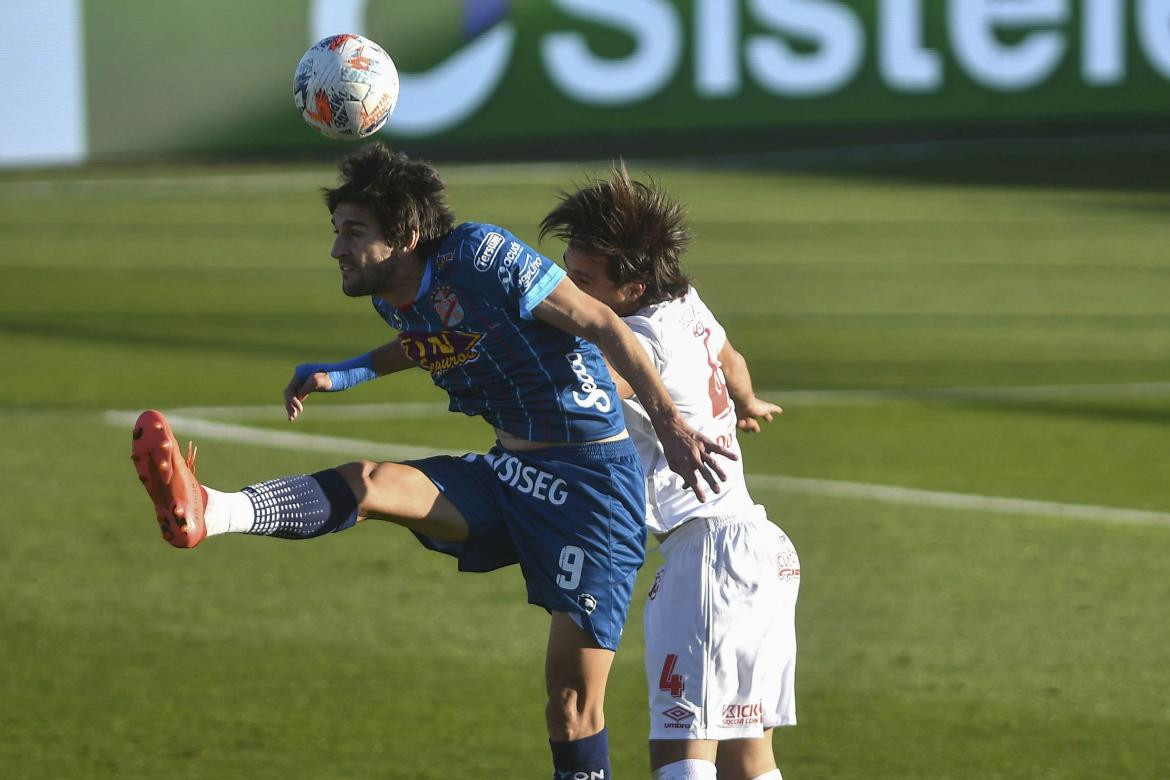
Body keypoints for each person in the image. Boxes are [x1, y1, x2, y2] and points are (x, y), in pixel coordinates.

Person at [130, 143, 734, 780]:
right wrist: (346, 371)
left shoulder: (483, 255)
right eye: (337, 232)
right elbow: (432, 339)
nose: (337, 249)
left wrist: (671, 427)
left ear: (406, 234)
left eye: (354, 233)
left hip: (592, 490)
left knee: (571, 705)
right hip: (511, 475)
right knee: (368, 484)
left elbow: (604, 324)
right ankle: (211, 511)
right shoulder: (394, 296)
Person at [539, 165, 799, 780]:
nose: (569, 292)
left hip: (706, 559)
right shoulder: (685, 300)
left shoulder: (640, 340)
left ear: (631, 287)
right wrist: (747, 399)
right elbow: (731, 357)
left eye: (583, 281)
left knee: (682, 759)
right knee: (750, 759)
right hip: (760, 553)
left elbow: (598, 387)